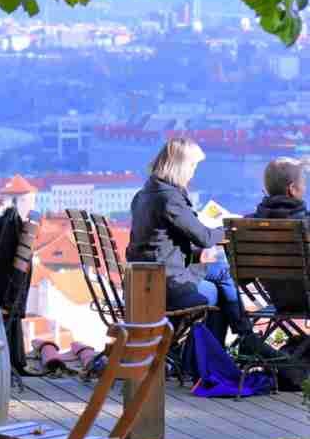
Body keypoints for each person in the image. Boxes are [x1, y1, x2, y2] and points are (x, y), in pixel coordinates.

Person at [126, 137, 252, 347]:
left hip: (148, 276)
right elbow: (203, 237)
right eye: (192, 165)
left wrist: (195, 253)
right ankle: (227, 347)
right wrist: (229, 228)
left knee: (220, 270)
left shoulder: (145, 194)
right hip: (165, 281)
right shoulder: (169, 198)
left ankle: (235, 341)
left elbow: (158, 241)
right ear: (180, 167)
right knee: (217, 290)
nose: (193, 171)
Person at [249, 157, 308, 311]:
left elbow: (243, 277)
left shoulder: (248, 224)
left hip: (278, 300)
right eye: (304, 182)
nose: (305, 187)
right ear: (292, 188)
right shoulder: (306, 223)